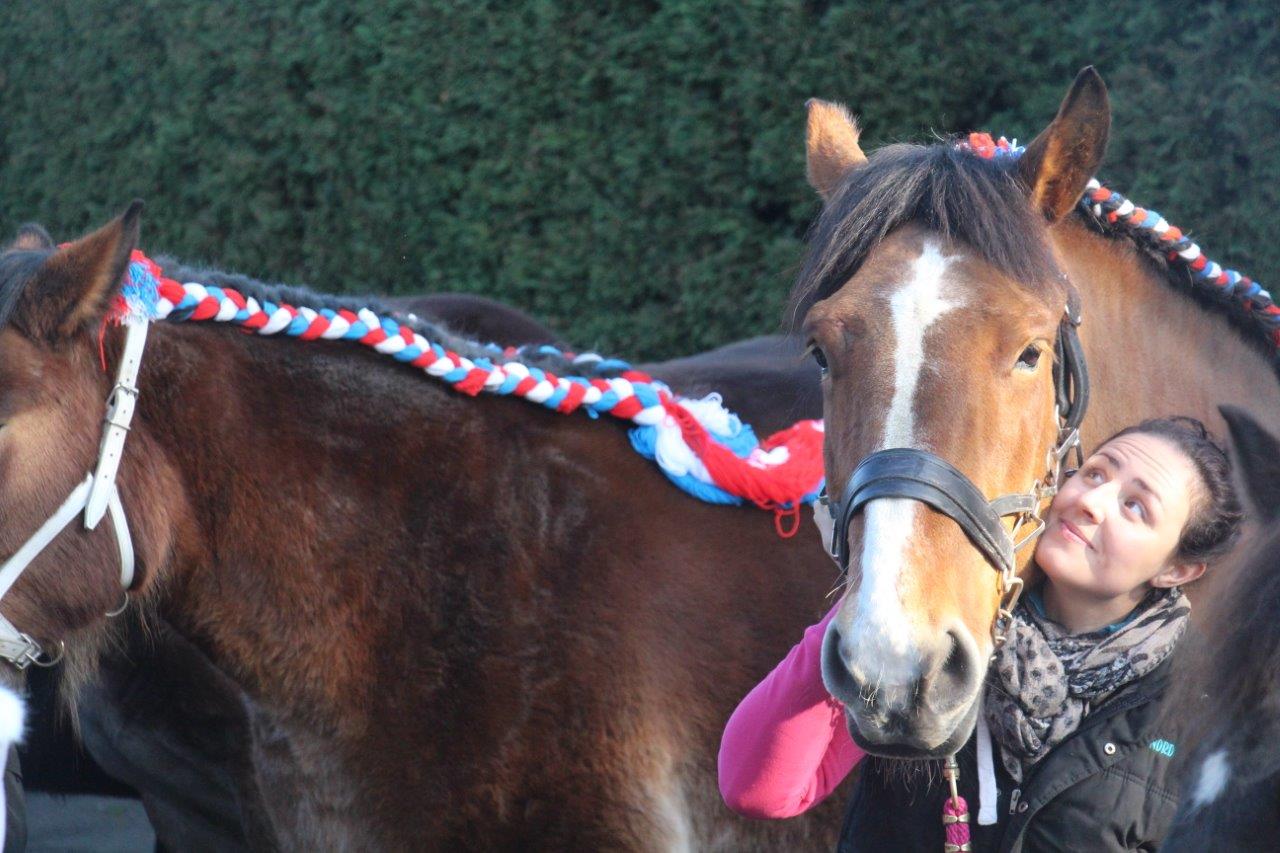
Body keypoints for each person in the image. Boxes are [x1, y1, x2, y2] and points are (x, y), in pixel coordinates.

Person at [719, 417, 1243, 851]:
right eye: (1095, 473)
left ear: (1177, 569)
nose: (1093, 501)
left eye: (1136, 507)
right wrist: (876, 606)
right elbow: (759, 790)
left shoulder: (1206, 716)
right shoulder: (945, 629)